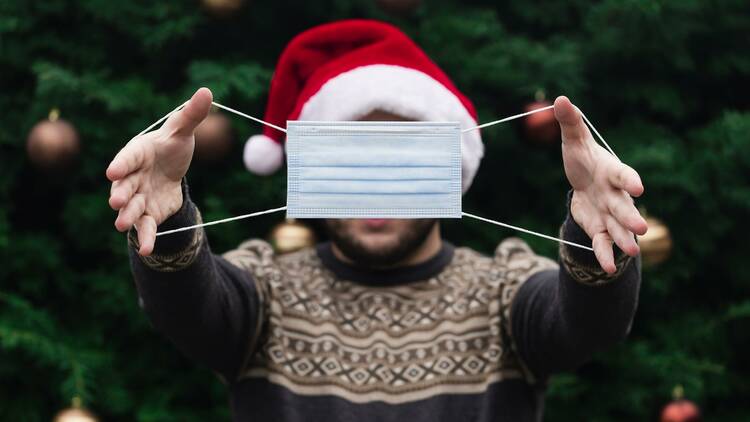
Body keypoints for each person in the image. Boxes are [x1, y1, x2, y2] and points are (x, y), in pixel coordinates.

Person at [106, 20, 647, 422]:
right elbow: (188, 309)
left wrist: (592, 236)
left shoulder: (502, 291)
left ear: (448, 170)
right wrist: (170, 217)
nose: (375, 183)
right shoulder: (265, 289)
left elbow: (588, 325)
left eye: (402, 154)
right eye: (350, 155)